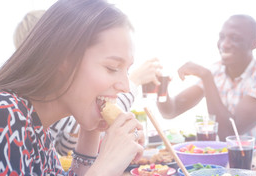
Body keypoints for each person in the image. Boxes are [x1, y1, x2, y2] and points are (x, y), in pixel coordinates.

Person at [0, 0, 144, 176]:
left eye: (127, 70)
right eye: (112, 67)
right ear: (64, 59)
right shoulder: (0, 114)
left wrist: (91, 131)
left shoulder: (36, 123)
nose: (125, 85)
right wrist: (103, 169)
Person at [13, 10, 162, 157]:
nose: (125, 86)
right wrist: (104, 166)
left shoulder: (41, 134)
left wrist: (95, 122)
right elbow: (70, 143)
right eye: (112, 68)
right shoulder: (6, 116)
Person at [157, 14, 256, 155]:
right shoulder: (217, 70)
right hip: (225, 160)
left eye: (235, 38)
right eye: (222, 37)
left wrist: (206, 77)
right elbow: (171, 110)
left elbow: (227, 132)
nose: (224, 44)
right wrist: (160, 86)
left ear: (254, 44)